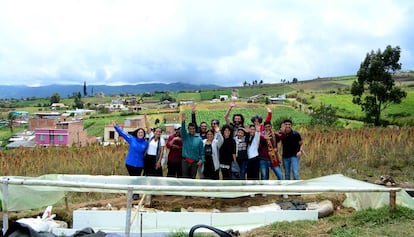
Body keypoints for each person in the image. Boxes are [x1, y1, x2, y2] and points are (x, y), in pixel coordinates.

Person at [113, 120, 148, 200]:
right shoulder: (132, 139)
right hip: (130, 163)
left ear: (144, 134)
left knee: (137, 179)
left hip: (139, 165)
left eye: (142, 133)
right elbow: (123, 133)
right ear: (137, 133)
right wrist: (116, 127)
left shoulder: (146, 143)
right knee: (132, 178)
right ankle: (134, 193)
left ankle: (136, 194)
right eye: (139, 132)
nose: (140, 134)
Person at [180, 113, 205, 179]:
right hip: (185, 161)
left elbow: (202, 151)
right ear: (188, 129)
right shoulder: (185, 136)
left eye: (193, 128)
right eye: (190, 129)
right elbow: (182, 130)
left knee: (192, 177)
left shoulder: (199, 139)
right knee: (185, 177)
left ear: (195, 129)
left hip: (194, 162)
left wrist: (202, 159)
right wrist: (183, 122)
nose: (192, 130)